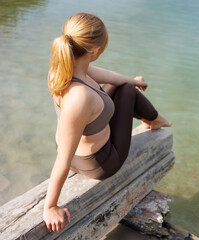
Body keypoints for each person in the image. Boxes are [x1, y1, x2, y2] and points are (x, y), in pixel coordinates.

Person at [42, 12, 172, 233]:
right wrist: (50, 206)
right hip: (100, 162)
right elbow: (63, 157)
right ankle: (155, 120)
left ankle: (153, 118)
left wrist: (134, 80)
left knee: (126, 86)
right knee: (127, 91)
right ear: (94, 50)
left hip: (81, 150)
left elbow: (111, 77)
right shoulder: (80, 97)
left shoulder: (66, 69)